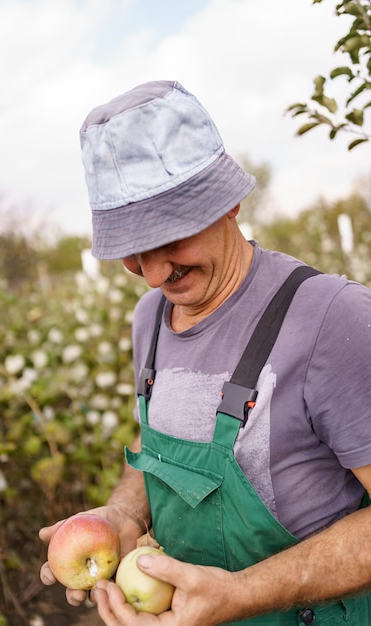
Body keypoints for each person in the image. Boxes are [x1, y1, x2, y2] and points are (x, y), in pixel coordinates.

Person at [39, 80, 371, 625]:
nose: (152, 273)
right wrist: (123, 515)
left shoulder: (333, 319)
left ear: (229, 201)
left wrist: (243, 593)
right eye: (131, 251)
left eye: (169, 239)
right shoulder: (150, 317)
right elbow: (161, 447)